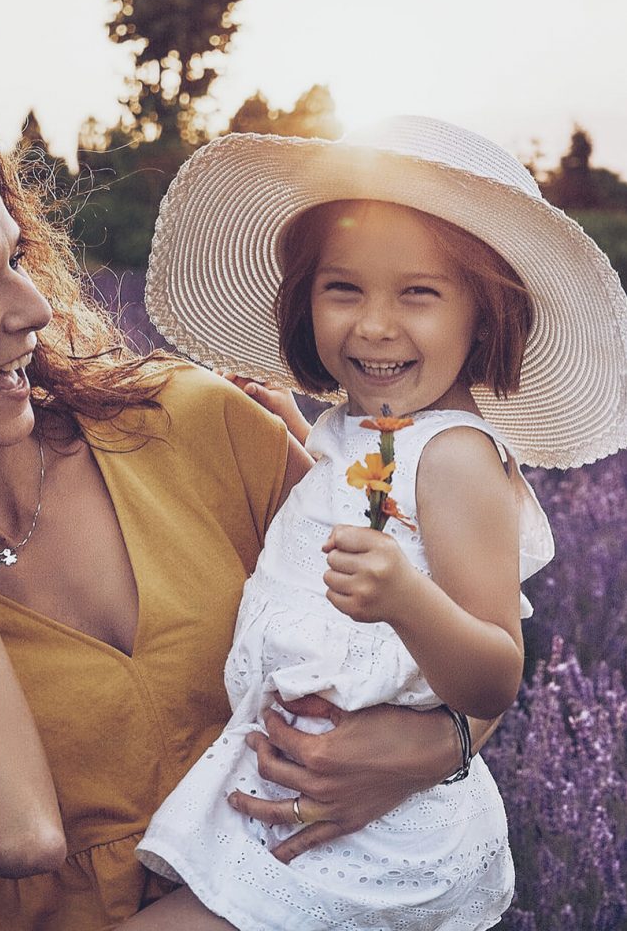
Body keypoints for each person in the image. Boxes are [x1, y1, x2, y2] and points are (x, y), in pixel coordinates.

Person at [0, 106, 495, 931]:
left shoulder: (189, 423)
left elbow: (440, 640)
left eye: (17, 259)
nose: (33, 307)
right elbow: (16, 832)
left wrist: (438, 749)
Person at [130, 116, 627, 930]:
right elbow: (354, 516)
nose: (373, 325)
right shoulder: (362, 426)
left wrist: (405, 598)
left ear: (486, 314)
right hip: (307, 799)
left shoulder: (457, 458)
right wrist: (301, 444)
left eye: (418, 294)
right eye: (343, 288)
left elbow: (494, 674)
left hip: (380, 838)